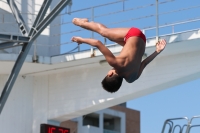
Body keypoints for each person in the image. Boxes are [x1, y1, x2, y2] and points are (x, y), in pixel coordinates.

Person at [71, 18, 167, 93]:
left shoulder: (132, 78)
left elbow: (145, 63)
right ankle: (81, 23)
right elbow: (97, 43)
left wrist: (157, 51)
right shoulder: (115, 63)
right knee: (104, 32)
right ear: (110, 74)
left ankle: (87, 23)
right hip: (133, 34)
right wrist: (81, 40)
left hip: (142, 41)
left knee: (111, 37)